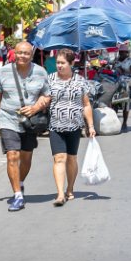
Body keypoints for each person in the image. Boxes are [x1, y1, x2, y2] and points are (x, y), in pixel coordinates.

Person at [0, 41, 50, 212]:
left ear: (32, 55)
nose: (23, 56)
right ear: (14, 53)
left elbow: (47, 95)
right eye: (20, 53)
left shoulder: (40, 72)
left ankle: (19, 182)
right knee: (12, 156)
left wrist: (35, 107)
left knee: (26, 157)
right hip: (8, 119)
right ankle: (17, 195)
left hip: (30, 122)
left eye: (26, 53)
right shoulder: (4, 72)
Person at [47, 49, 96, 206]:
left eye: (63, 63)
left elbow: (86, 105)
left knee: (72, 158)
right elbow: (43, 99)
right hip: (55, 125)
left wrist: (91, 126)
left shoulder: (80, 81)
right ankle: (60, 193)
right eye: (58, 63)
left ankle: (70, 188)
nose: (59, 66)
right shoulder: (50, 80)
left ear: (71, 63)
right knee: (59, 158)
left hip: (74, 125)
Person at [114, 44, 131, 132]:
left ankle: (124, 122)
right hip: (117, 83)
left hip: (127, 83)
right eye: (121, 52)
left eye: (124, 52)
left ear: (127, 53)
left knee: (126, 104)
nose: (122, 53)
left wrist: (123, 70)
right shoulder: (116, 60)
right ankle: (115, 121)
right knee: (115, 102)